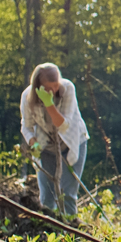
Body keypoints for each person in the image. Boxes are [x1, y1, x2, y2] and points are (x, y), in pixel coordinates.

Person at [19, 63, 90, 217]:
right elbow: (26, 126)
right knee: (47, 197)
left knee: (67, 194)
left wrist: (49, 103)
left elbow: (63, 125)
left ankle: (70, 229)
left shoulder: (68, 89)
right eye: (49, 87)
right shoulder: (27, 97)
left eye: (56, 85)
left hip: (73, 142)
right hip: (47, 147)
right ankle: (48, 228)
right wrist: (33, 142)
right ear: (38, 86)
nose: (54, 90)